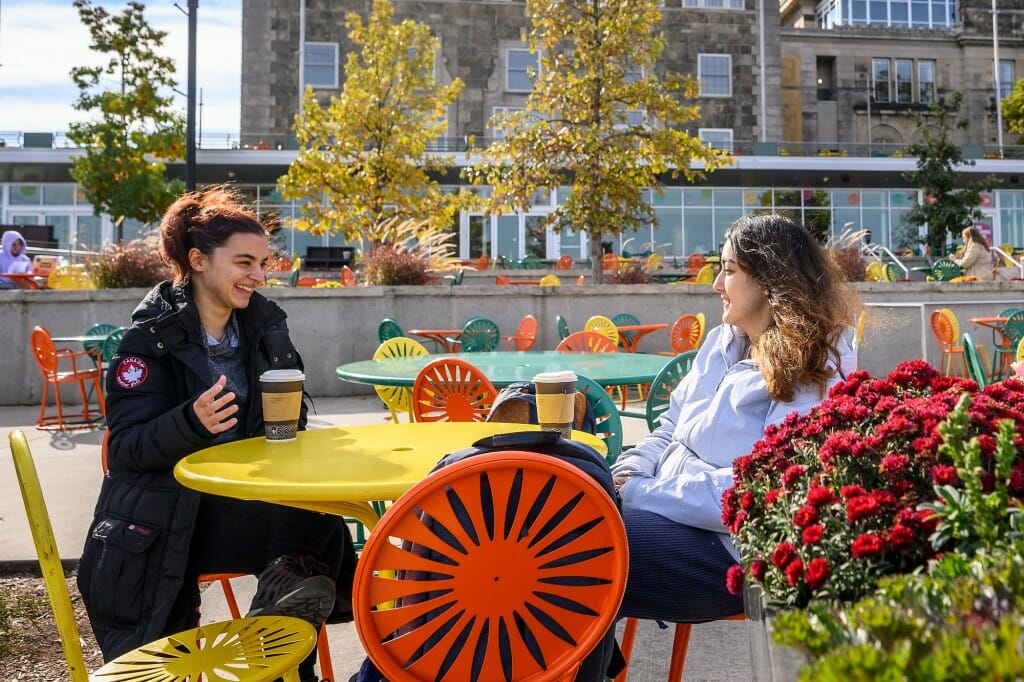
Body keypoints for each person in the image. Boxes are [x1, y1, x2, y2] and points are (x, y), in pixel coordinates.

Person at [77, 187, 355, 682]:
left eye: (263, 263)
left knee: (318, 515)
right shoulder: (150, 341)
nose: (259, 275)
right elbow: (124, 451)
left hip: (241, 504)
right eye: (244, 262)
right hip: (171, 519)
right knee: (309, 538)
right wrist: (190, 422)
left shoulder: (264, 329)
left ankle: (282, 627)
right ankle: (288, 646)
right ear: (199, 260)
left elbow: (283, 425)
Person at [579, 213, 859, 679]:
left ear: (770, 282)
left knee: (564, 547)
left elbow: (757, 490)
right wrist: (624, 474)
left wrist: (637, 493)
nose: (715, 284)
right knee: (548, 514)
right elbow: (668, 427)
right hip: (666, 513)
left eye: (728, 270)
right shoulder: (723, 341)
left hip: (727, 551)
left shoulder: (813, 368)